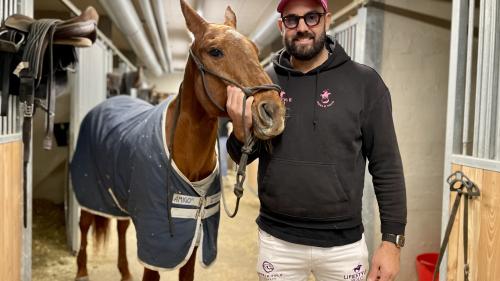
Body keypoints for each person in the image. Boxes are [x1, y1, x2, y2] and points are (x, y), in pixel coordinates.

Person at [225, 0, 407, 280]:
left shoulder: (365, 83)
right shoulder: (265, 83)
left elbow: (387, 165)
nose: (302, 27)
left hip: (343, 246)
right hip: (278, 242)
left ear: (327, 19)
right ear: (281, 25)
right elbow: (244, 155)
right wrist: (239, 129)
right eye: (292, 19)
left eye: (312, 17)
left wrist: (391, 241)